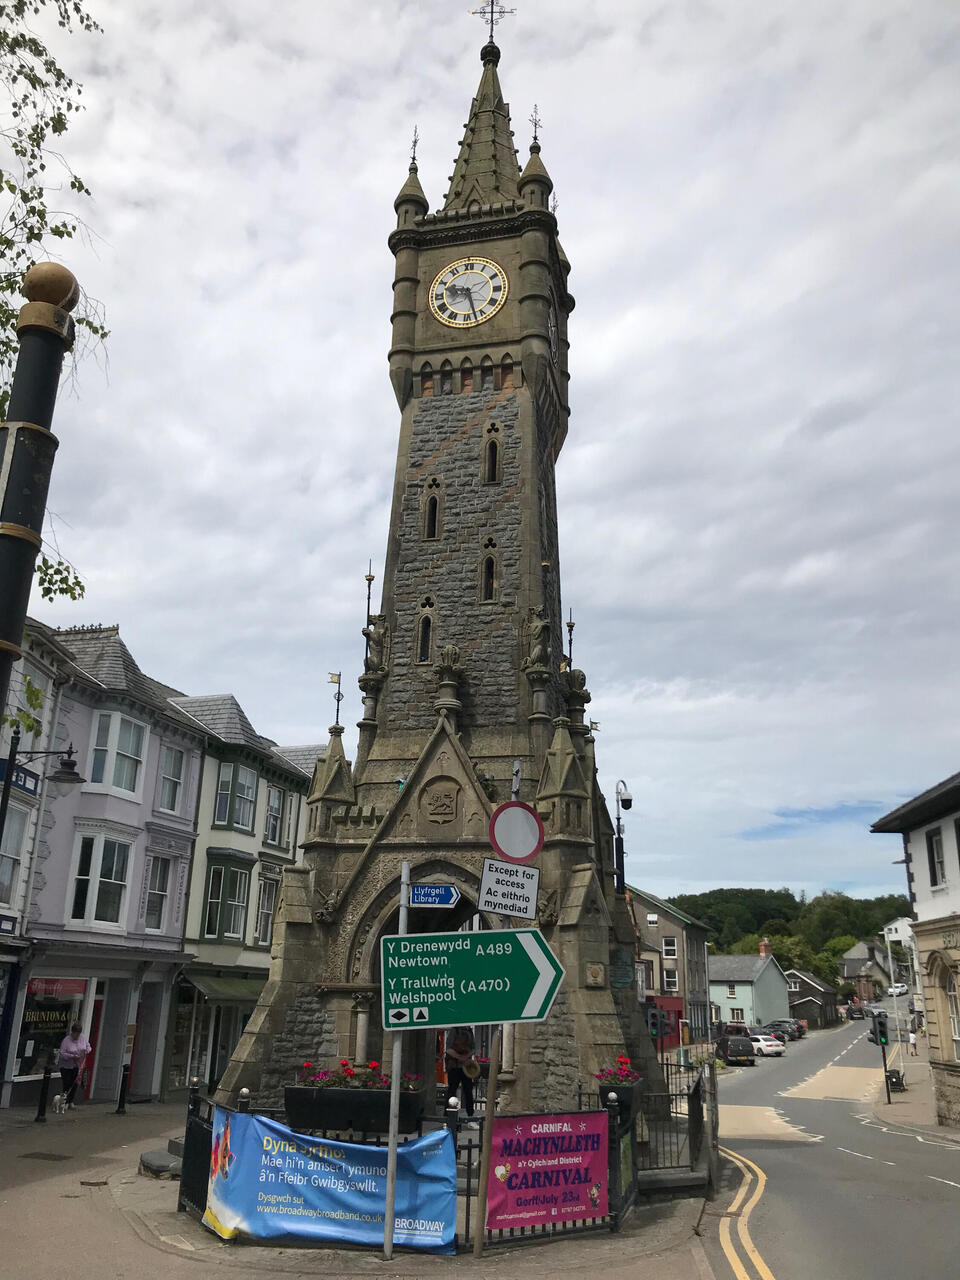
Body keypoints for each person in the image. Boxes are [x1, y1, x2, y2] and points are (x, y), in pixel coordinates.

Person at [445, 1026, 478, 1127]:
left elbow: (473, 1048)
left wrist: (466, 1057)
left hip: (466, 1067)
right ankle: (448, 1119)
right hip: (454, 1066)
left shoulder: (469, 1030)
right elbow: (448, 1049)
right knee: (451, 1092)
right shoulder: (454, 1030)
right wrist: (459, 1057)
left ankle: (470, 1117)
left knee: (468, 1091)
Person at [57, 1021, 91, 1109]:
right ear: (72, 1032)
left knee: (75, 1083)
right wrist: (72, 1056)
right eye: (76, 1034)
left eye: (79, 1034)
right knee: (67, 1083)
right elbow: (62, 1053)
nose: (77, 1036)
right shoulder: (66, 1040)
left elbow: (88, 1046)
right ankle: (63, 1102)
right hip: (66, 1065)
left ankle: (70, 1101)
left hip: (77, 1065)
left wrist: (87, 1050)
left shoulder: (82, 1038)